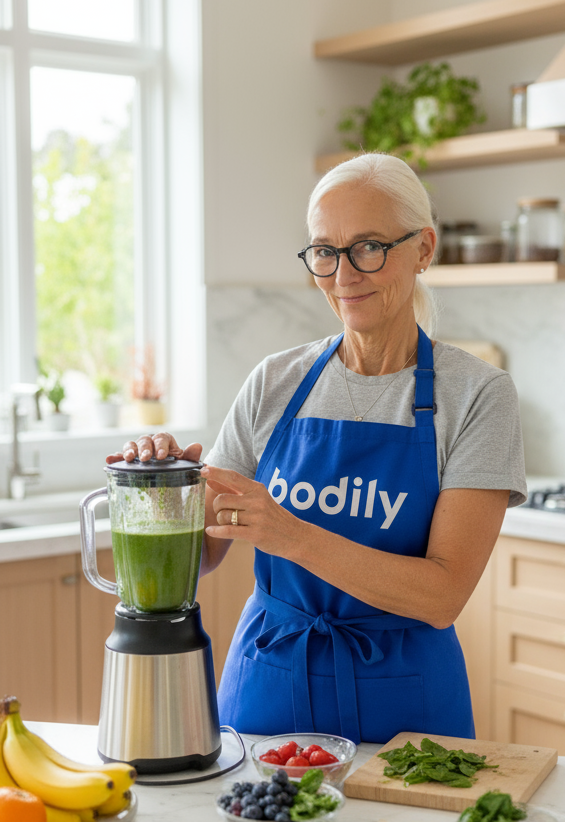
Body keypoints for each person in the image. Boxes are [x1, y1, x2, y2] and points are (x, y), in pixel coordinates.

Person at [108, 153, 527, 745]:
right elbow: (201, 552)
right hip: (268, 692)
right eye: (325, 252)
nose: (343, 274)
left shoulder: (479, 395)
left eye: (369, 247)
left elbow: (442, 596)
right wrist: (164, 488)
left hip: (406, 718)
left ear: (424, 249)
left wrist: (290, 534)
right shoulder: (275, 381)